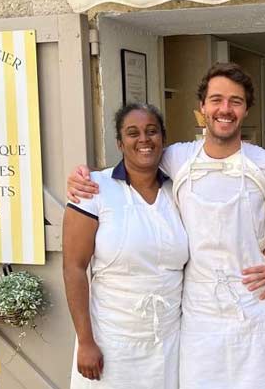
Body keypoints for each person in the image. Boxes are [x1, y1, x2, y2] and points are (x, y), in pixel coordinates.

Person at [68, 63, 265, 389]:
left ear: (246, 109)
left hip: (254, 312)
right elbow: (137, 158)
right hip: (198, 320)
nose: (225, 109)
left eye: (235, 101)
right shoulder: (178, 158)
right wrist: (84, 177)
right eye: (216, 99)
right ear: (202, 108)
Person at [63, 103, 188, 389]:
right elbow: (73, 267)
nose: (144, 139)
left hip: (167, 343)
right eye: (133, 133)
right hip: (112, 342)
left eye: (151, 131)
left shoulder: (177, 191)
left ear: (163, 139)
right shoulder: (94, 188)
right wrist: (85, 341)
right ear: (120, 143)